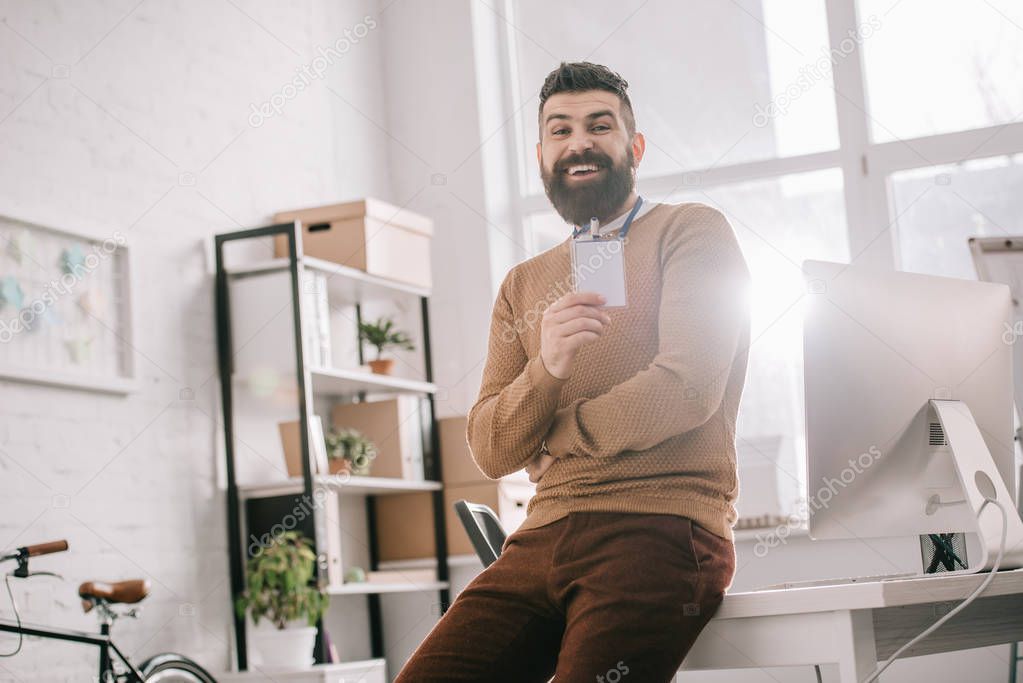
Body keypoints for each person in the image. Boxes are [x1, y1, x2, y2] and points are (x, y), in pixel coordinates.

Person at [396, 61, 751, 683]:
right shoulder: (524, 283)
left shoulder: (691, 231)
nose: (578, 143)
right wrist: (548, 367)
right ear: (541, 155)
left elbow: (686, 388)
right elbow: (491, 445)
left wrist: (556, 434)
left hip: (660, 528)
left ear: (634, 147)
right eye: (559, 131)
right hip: (539, 539)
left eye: (599, 126)